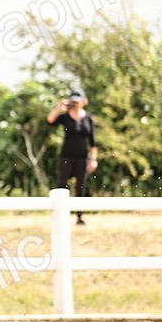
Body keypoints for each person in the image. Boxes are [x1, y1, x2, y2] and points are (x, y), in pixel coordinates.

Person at [46, 89, 98, 225]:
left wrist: (93, 160)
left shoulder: (88, 119)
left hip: (82, 157)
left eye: (77, 101)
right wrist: (59, 107)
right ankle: (59, 215)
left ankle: (79, 217)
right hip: (66, 156)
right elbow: (50, 120)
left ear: (83, 102)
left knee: (80, 187)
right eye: (72, 101)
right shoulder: (65, 117)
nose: (74, 103)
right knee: (62, 185)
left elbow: (93, 142)